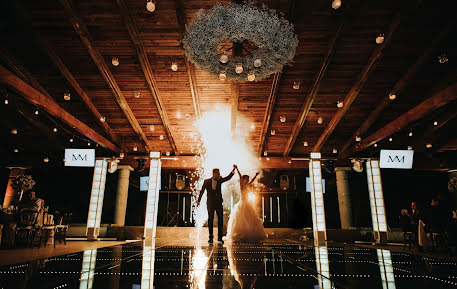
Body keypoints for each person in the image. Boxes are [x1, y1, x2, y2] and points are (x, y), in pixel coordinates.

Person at [197, 165, 237, 244]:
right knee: (210, 220)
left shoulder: (220, 180)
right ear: (213, 174)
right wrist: (199, 201)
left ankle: (219, 237)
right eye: (218, 173)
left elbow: (228, 178)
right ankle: (210, 237)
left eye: (219, 173)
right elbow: (202, 191)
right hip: (210, 203)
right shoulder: (206, 181)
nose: (219, 174)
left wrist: (233, 170)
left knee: (220, 220)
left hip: (219, 203)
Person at [226, 167, 266, 243]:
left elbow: (252, 181)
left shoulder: (248, 185)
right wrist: (237, 169)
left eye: (248, 179)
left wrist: (256, 175)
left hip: (247, 203)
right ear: (243, 180)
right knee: (242, 220)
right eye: (246, 179)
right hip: (243, 203)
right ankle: (241, 235)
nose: (248, 180)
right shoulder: (242, 186)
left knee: (250, 220)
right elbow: (240, 176)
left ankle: (248, 235)